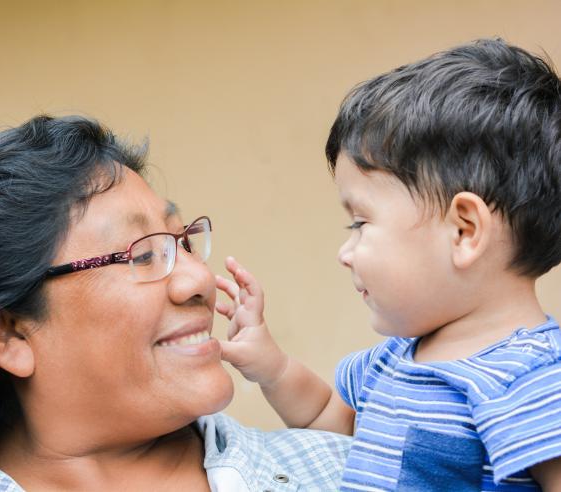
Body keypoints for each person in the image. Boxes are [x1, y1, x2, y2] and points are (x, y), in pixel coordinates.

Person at [0, 115, 350, 491]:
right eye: (143, 254)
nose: (199, 279)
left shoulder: (341, 472)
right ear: (9, 333)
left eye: (185, 241)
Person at [216, 39, 561, 491]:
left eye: (360, 222)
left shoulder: (534, 380)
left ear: (464, 231)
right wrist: (272, 367)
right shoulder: (391, 362)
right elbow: (328, 420)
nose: (346, 252)